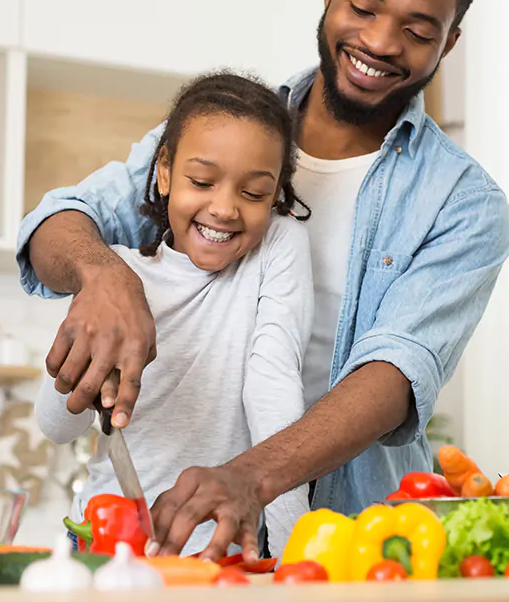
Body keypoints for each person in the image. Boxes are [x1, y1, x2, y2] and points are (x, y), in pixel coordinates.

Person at [18, 0, 509, 562]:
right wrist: (102, 275)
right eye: (364, 8)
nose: (381, 42)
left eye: (417, 31)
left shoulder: (464, 203)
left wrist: (252, 479)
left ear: (450, 41)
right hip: (158, 526)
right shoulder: (224, 125)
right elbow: (60, 220)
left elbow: (394, 375)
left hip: (352, 534)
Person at [33, 72, 314, 557]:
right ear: (164, 172)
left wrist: (294, 560)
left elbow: (273, 391)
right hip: (103, 540)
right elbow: (56, 428)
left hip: (217, 554)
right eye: (201, 182)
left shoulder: (278, 246)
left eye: (253, 193)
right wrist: (83, 370)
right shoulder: (117, 274)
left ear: (275, 195)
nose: (224, 209)